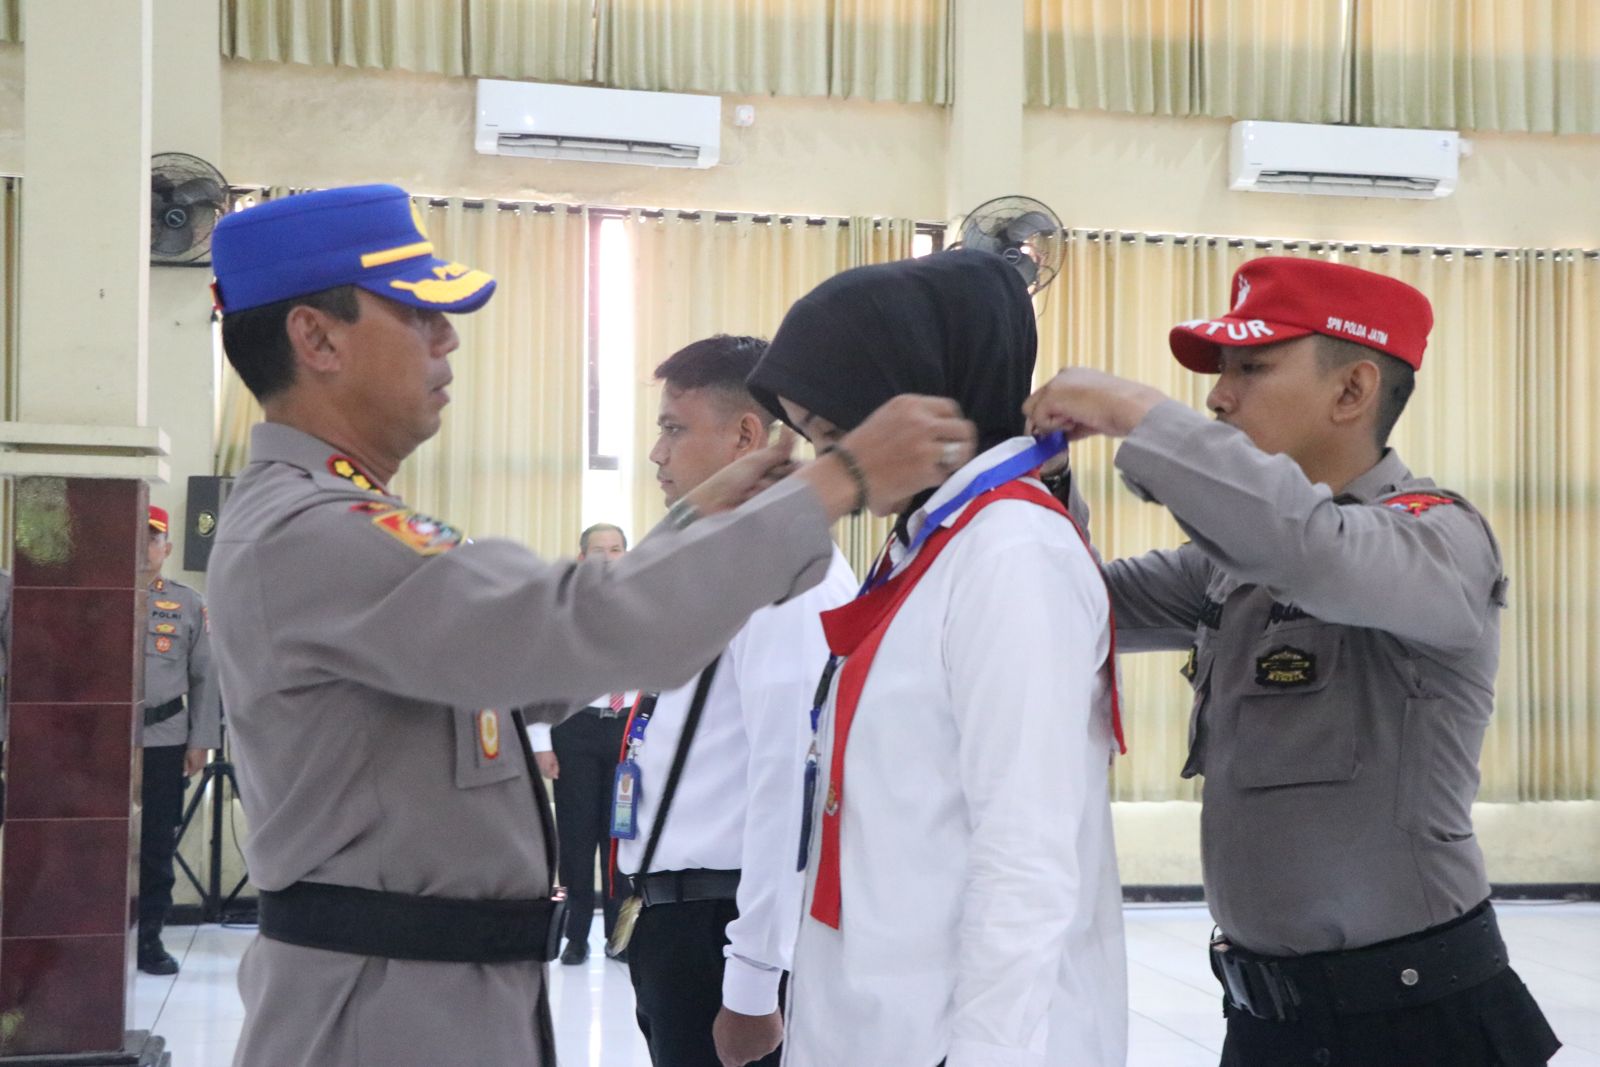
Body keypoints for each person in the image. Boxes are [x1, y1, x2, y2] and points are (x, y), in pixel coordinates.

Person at [204, 183, 977, 1067]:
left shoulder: (338, 521)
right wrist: (838, 480)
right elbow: (568, 631)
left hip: (425, 994)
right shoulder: (314, 534)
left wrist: (696, 523)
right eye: (417, 313)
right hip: (377, 1013)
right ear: (317, 338)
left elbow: (542, 671)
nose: (446, 338)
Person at [1024, 256, 1561, 1067]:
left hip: (1416, 1024)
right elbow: (1072, 609)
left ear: (1352, 390)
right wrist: (1050, 483)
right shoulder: (1234, 566)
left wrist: (1142, 414)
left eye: (1251, 368)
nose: (1218, 396)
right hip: (1269, 1024)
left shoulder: (1439, 539)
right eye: (1221, 372)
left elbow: (1314, 551)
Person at [747, 249, 1128, 1067]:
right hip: (876, 1019)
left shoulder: (1010, 552)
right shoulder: (930, 543)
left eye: (836, 434)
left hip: (959, 1037)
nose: (832, 467)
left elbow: (1025, 848)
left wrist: (989, 1052)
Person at [618, 335, 855, 1067]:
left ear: (746, 436)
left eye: (674, 428)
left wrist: (753, 979)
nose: (656, 452)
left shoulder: (789, 576)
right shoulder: (727, 559)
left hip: (722, 927)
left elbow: (791, 779)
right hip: (677, 919)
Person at [527, 522, 636, 965]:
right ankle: (575, 935)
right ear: (581, 557)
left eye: (616, 549)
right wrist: (540, 741)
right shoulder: (562, 608)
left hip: (628, 731)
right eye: (598, 550)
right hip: (575, 727)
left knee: (620, 836)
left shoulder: (646, 604)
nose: (607, 557)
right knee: (575, 836)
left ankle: (618, 936)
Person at [138, 504, 223, 975]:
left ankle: (149, 937)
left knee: (156, 844)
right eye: (137, 535)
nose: (144, 546)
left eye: (153, 538)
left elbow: (206, 678)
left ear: (167, 548)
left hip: (163, 737)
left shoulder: (188, 603)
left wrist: (200, 740)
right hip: (103, 743)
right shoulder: (98, 596)